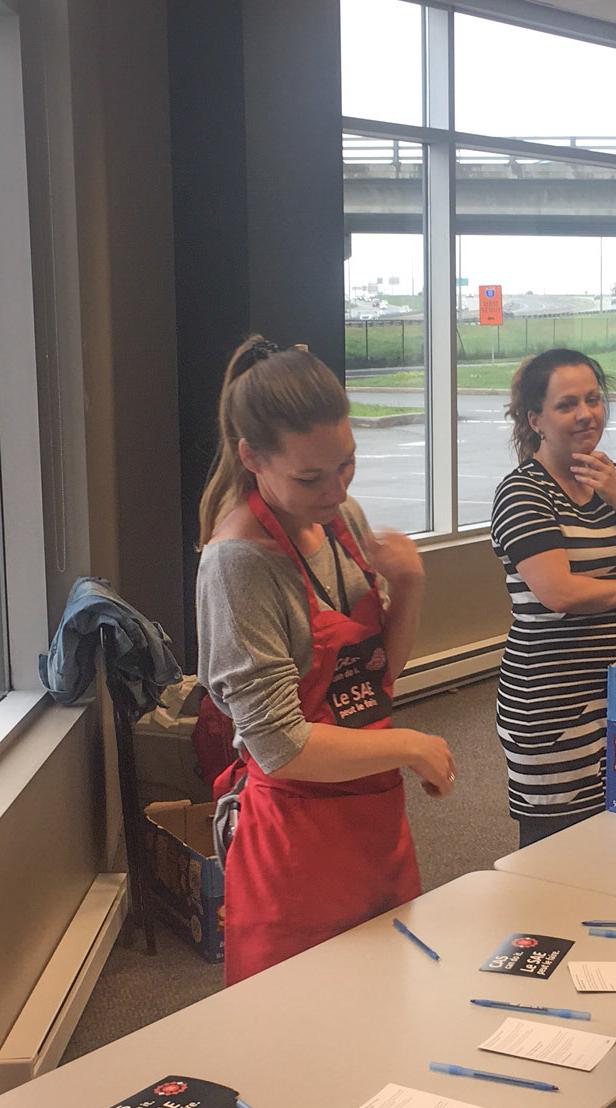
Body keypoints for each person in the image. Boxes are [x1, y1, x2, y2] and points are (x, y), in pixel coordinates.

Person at [195, 336, 454, 984]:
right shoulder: (238, 564)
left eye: (347, 464)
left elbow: (376, 678)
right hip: (295, 843)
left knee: (385, 1000)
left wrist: (410, 585)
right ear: (251, 457)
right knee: (301, 1022)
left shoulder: (340, 518)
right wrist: (409, 746)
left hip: (372, 819)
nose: (336, 490)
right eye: (311, 477)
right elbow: (282, 747)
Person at [488, 349, 616, 847]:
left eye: (593, 400)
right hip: (551, 700)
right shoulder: (523, 493)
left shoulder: (614, 480)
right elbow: (560, 592)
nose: (585, 414)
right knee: (554, 847)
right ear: (535, 420)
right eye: (566, 404)